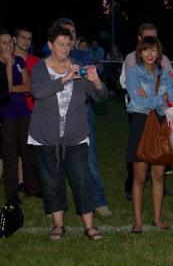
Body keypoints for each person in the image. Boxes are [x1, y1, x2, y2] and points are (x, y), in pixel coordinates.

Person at [28, 25, 108, 240]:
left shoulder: (79, 66)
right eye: (61, 44)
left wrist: (96, 80)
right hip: (45, 135)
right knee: (51, 180)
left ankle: (89, 226)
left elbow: (101, 96)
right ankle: (58, 225)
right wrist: (64, 78)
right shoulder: (39, 68)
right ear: (50, 45)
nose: (66, 48)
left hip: (75, 135)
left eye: (68, 44)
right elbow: (38, 92)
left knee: (81, 180)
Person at [126, 36, 173, 233]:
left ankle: (157, 219)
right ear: (140, 52)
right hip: (141, 124)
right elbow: (138, 102)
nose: (150, 54)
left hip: (161, 122)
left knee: (159, 175)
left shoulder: (162, 72)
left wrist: (154, 98)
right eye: (146, 50)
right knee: (139, 177)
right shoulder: (134, 72)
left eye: (154, 50)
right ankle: (138, 222)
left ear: (159, 53)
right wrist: (159, 98)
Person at [0, 30, 40, 200]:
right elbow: (5, 93)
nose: (8, 45)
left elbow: (27, 87)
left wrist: (11, 89)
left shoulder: (20, 62)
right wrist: (8, 65)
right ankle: (12, 194)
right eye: (4, 42)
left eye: (10, 41)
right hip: (6, 114)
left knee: (28, 150)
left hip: (23, 111)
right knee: (10, 154)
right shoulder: (4, 64)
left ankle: (33, 188)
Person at [13, 27, 40, 111]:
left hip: (33, 110)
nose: (26, 41)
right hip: (11, 111)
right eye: (23, 37)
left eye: (29, 38)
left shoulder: (38, 62)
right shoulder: (6, 60)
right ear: (14, 39)